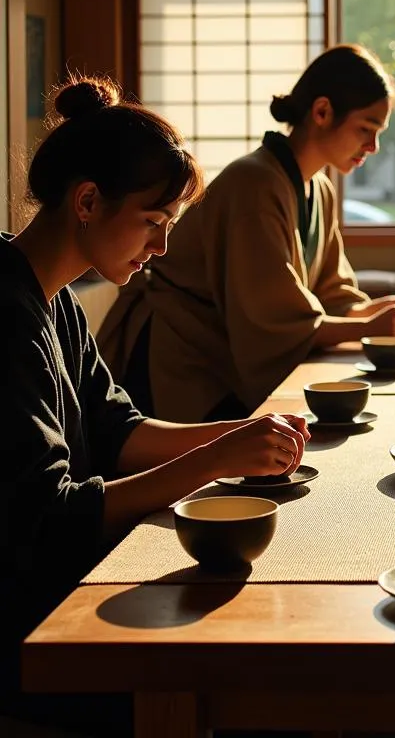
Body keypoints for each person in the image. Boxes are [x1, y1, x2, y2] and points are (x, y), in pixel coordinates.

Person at [2, 77, 310, 736]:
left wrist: (241, 434)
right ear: (87, 201)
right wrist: (213, 460)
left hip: (60, 582)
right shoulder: (5, 310)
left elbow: (119, 432)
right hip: (26, 624)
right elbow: (50, 518)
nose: (162, 247)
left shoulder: (54, 298)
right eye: (153, 222)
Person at [99, 44, 395, 424]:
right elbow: (275, 321)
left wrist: (382, 310)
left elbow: (329, 297)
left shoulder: (319, 189)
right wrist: (368, 326)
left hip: (222, 358)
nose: (372, 147)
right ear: (322, 112)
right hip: (182, 361)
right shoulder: (254, 182)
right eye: (366, 130)